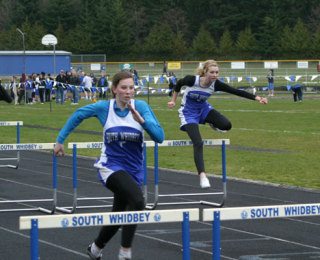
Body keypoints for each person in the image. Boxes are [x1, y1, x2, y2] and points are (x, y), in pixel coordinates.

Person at [53, 70, 164, 260]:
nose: (128, 92)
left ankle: (95, 248)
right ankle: (125, 252)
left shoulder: (142, 107)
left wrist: (142, 121)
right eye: (123, 88)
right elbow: (79, 114)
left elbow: (159, 137)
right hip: (110, 166)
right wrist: (60, 139)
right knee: (138, 201)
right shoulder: (105, 108)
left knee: (119, 213)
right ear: (114, 90)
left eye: (131, 87)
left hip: (134, 170)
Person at [167, 60, 268, 189]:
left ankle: (211, 122)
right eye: (212, 72)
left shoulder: (216, 84)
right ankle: (202, 176)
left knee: (226, 125)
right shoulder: (192, 80)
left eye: (217, 72)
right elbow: (178, 85)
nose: (215, 75)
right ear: (205, 72)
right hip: (188, 113)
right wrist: (173, 101)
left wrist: (258, 98)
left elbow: (236, 91)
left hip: (204, 109)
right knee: (198, 142)